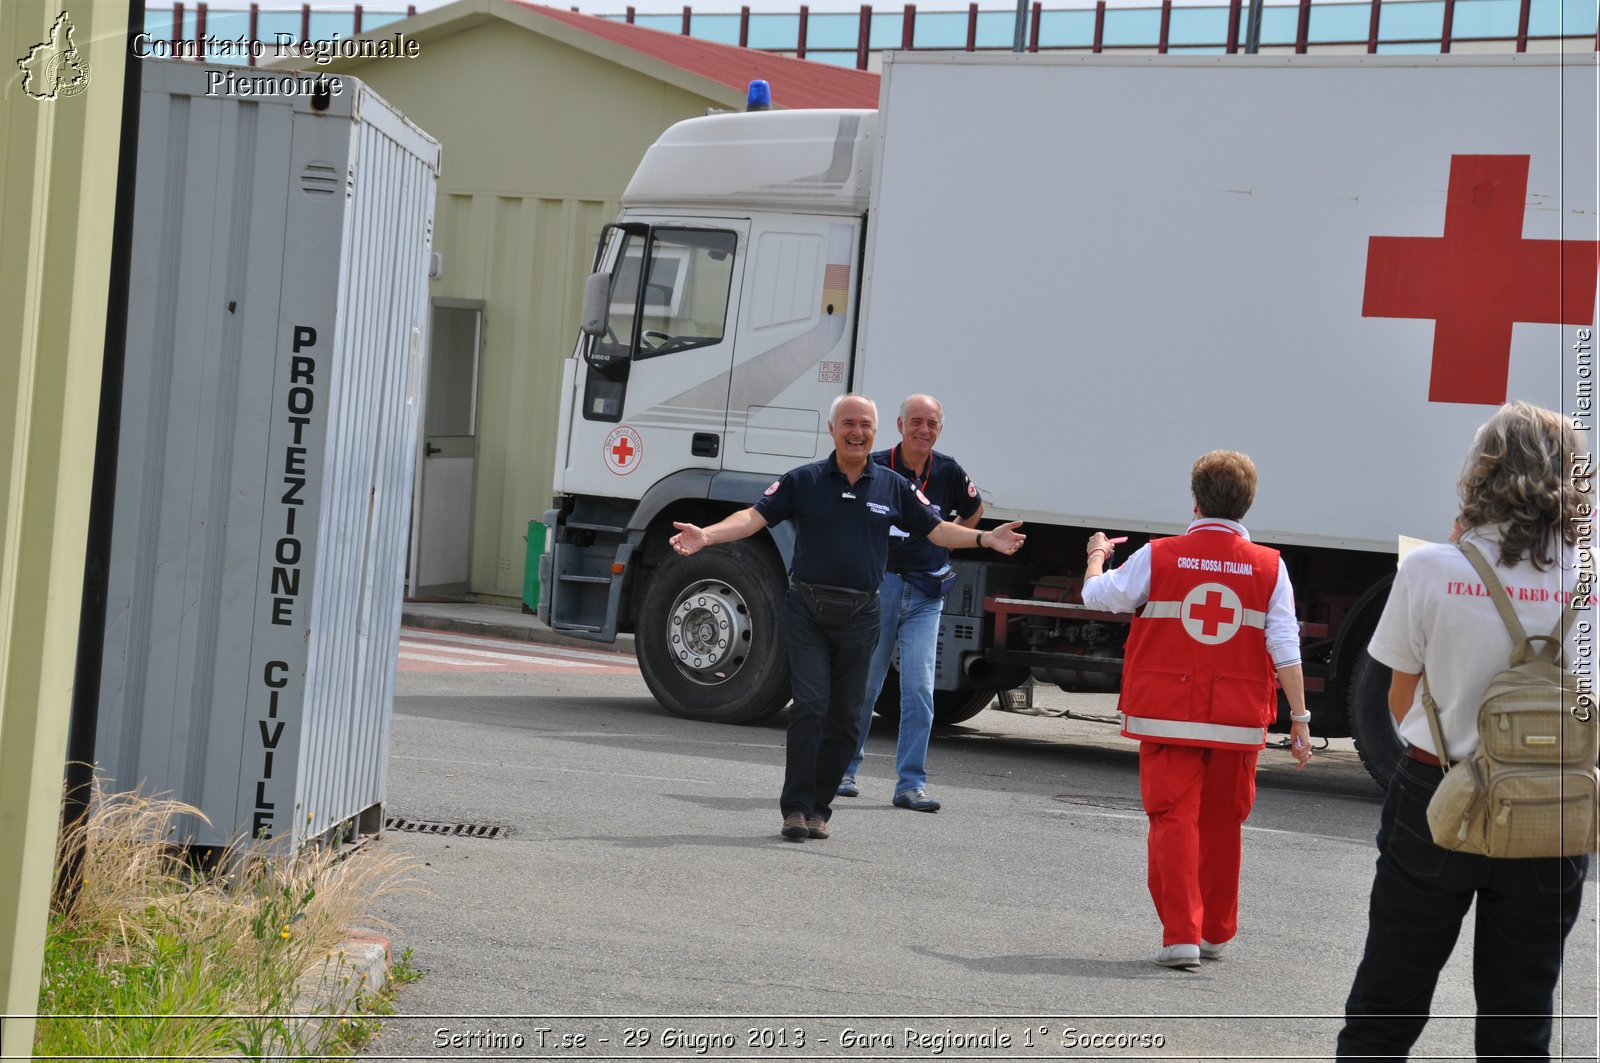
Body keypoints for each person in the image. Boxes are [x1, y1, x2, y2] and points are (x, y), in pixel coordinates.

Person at [1336, 402, 1592, 1060]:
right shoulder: (1590, 580)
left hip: (1438, 789)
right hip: (1554, 807)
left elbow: (1397, 699)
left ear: (1483, 471)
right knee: (1519, 1021)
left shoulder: (1430, 568)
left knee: (1385, 1004)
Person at [668, 394, 1025, 842]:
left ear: (876, 432)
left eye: (866, 426)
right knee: (811, 706)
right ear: (832, 429)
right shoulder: (805, 480)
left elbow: (936, 529)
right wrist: (707, 536)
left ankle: (820, 808)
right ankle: (796, 808)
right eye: (849, 424)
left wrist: (985, 539)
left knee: (847, 715)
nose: (858, 432)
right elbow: (754, 518)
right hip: (808, 610)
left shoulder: (892, 485)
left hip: (862, 614)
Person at [1080, 450, 1312, 970]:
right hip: (1236, 714)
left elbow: (1099, 597)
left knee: (1173, 818)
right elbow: (1285, 646)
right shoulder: (1271, 567)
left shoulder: (1160, 555)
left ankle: (1180, 935)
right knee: (1224, 822)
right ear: (1247, 505)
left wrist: (1097, 555)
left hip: (1167, 713)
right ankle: (1213, 933)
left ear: (1194, 501)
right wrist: (1299, 721)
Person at [836, 394, 984, 812]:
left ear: (939, 429)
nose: (924, 430)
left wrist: (946, 538)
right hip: (879, 588)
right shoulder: (876, 465)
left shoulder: (950, 471)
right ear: (899, 426)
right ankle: (843, 769)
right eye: (915, 421)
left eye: (932, 423)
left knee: (919, 689)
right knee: (865, 685)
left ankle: (910, 784)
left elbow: (974, 510)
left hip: (925, 595)